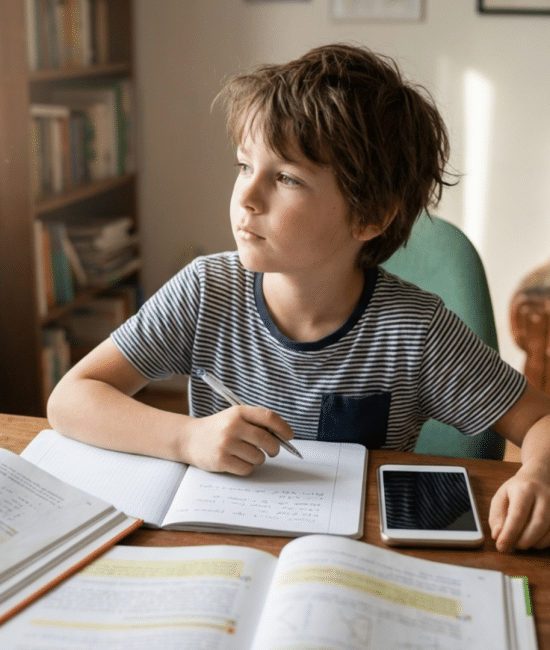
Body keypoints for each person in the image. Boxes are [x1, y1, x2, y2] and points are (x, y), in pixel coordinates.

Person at [48, 43, 550, 553]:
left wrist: (538, 478)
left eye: (285, 177)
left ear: (369, 216)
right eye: (245, 165)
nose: (246, 196)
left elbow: (541, 421)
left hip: (352, 560)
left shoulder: (416, 331)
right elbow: (71, 398)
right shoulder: (206, 291)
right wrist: (186, 438)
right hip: (218, 546)